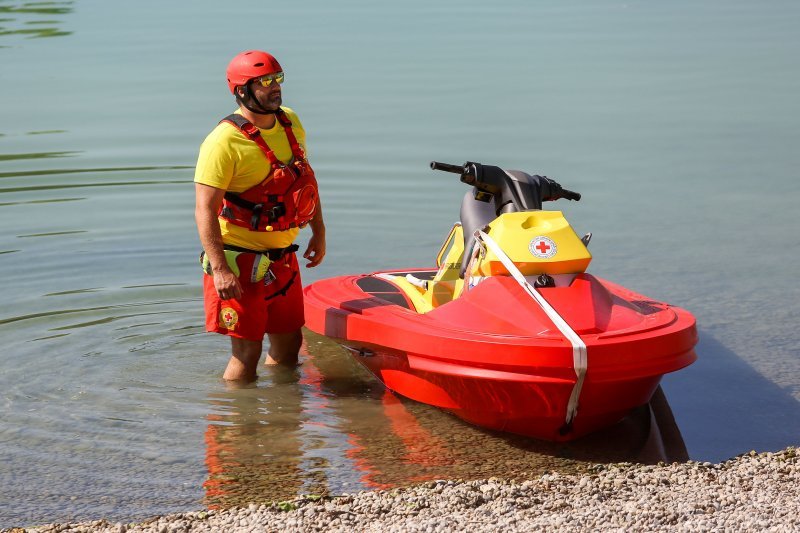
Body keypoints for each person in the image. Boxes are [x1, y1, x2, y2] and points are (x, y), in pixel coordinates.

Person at [194, 50, 326, 381]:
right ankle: (236, 428)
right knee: (247, 352)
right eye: (264, 82)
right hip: (241, 264)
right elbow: (204, 210)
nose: (275, 87)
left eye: (277, 79)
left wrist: (319, 231)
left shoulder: (290, 121)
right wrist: (221, 270)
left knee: (289, 345)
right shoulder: (223, 142)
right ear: (241, 90)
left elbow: (304, 182)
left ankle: (285, 423)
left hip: (283, 260)